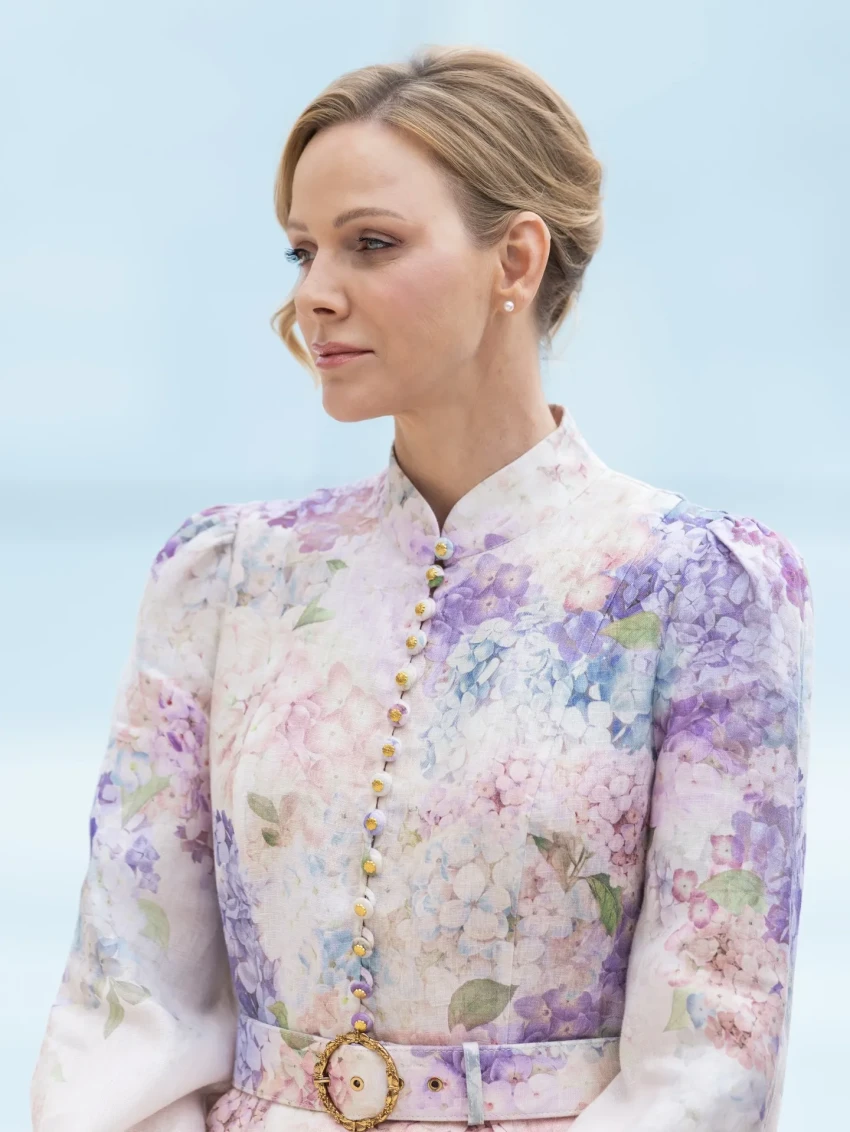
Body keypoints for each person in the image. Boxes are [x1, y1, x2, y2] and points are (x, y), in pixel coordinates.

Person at [30, 44, 813, 1132]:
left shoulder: (701, 592)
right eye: (303, 249)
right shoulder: (225, 581)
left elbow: (709, 1058)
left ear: (515, 260)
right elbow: (128, 1007)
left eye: (372, 243)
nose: (314, 294)